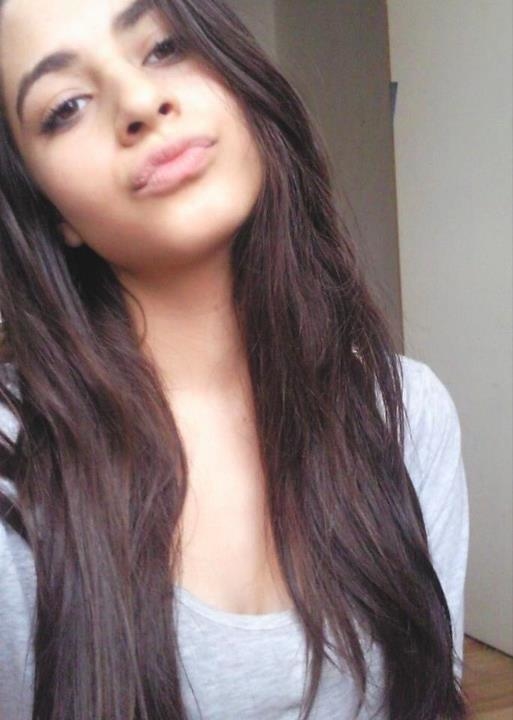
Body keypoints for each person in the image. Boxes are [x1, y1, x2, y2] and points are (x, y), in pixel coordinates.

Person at [0, 0, 470, 718]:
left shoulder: (405, 413)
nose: (139, 103)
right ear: (50, 208)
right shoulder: (16, 472)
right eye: (65, 107)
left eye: (164, 48)